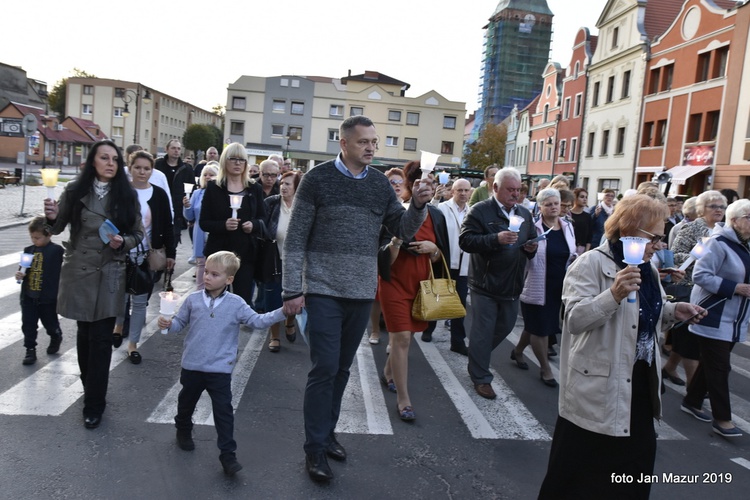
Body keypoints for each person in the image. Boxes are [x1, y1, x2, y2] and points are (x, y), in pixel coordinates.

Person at [281, 115, 432, 482]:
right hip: (322, 289)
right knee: (324, 368)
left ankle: (326, 432)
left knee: (342, 369)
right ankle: (314, 449)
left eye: (374, 142)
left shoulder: (380, 185)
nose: (370, 148)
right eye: (363, 141)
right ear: (344, 143)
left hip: (362, 291)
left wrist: (418, 205)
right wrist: (292, 289)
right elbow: (296, 237)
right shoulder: (317, 179)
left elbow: (399, 228)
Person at [538, 194, 706, 499]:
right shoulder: (590, 264)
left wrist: (672, 312)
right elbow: (574, 321)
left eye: (661, 237)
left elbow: (642, 318)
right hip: (597, 388)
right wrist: (613, 294)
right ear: (630, 230)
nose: (660, 245)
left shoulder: (649, 268)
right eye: (654, 237)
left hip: (640, 385)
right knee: (576, 476)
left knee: (632, 475)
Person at [158, 251, 286, 476]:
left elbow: (257, 321)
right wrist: (167, 324)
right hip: (193, 365)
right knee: (186, 402)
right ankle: (183, 428)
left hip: (219, 369)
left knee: (224, 412)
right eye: (206, 272)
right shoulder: (193, 300)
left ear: (229, 280)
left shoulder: (236, 304)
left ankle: (228, 455)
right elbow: (179, 324)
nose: (207, 277)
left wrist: (283, 312)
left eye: (214, 274)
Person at [43, 139, 142, 429]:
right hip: (79, 271)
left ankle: (94, 403)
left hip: (110, 270)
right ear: (92, 162)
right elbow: (57, 226)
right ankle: (91, 389)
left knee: (100, 339)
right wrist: (51, 217)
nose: (110, 163)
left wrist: (123, 241)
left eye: (115, 159)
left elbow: (138, 233)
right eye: (104, 158)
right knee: (85, 335)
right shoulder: (75, 190)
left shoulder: (126, 195)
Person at [378, 161, 450, 422]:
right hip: (394, 283)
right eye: (421, 182)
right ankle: (403, 400)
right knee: (403, 339)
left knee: (405, 338)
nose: (426, 187)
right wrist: (398, 239)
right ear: (411, 184)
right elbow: (385, 258)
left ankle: (388, 372)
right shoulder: (395, 210)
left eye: (430, 184)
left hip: (422, 287)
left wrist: (433, 249)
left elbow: (442, 257)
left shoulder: (438, 215)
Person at [459, 167, 538, 400]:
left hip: (513, 283)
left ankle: (477, 356)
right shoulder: (480, 211)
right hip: (485, 283)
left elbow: (530, 239)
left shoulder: (524, 213)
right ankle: (481, 377)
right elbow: (466, 241)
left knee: (505, 326)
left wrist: (531, 248)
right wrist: (496, 238)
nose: (516, 194)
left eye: (518, 190)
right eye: (510, 190)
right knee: (483, 331)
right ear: (495, 188)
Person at [680, 199, 750, 438]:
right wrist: (734, 287)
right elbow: (700, 275)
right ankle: (723, 419)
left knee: (712, 364)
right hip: (712, 314)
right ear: (735, 220)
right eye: (749, 217)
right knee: (720, 367)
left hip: (736, 318)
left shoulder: (747, 244)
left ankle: (691, 400)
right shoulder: (717, 243)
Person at [513, 188, 576, 386]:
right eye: (548, 204)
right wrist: (526, 249)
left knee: (537, 325)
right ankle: (545, 369)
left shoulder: (567, 226)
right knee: (541, 329)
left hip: (559, 285)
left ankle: (517, 351)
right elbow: (520, 254)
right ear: (540, 206)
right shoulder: (533, 227)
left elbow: (570, 252)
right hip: (536, 283)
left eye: (556, 203)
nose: (553, 207)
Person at [119, 150, 176, 364]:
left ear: (152, 170)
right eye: (138, 167)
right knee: (120, 298)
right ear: (130, 168)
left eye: (146, 168)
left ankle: (133, 343)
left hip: (146, 255)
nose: (142, 172)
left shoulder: (159, 194)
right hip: (121, 253)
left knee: (140, 301)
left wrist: (170, 253)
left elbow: (167, 227)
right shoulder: (122, 192)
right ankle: (117, 328)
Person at [669, 191, 728, 385]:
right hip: (690, 287)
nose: (719, 210)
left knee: (689, 336)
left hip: (714, 291)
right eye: (714, 206)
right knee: (690, 339)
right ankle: (692, 390)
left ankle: (669, 367)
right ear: (702, 209)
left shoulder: (726, 230)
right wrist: (699, 258)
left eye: (722, 206)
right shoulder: (692, 228)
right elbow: (675, 255)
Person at [200, 143, 266, 306]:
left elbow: (263, 218)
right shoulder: (214, 188)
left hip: (245, 254)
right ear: (224, 161)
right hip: (218, 253)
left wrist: (254, 225)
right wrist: (223, 225)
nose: (237, 163)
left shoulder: (254, 188)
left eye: (241, 160)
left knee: (241, 301)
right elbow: (204, 222)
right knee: (214, 301)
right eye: (233, 159)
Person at [261, 171, 302, 352]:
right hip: (273, 259)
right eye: (282, 184)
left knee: (293, 297)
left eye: (288, 184)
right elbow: (262, 225)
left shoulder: (303, 207)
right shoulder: (271, 203)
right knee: (273, 299)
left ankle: (290, 322)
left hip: (297, 262)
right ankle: (275, 335)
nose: (283, 187)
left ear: (297, 187)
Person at [15, 217, 64, 365]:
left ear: (49, 235)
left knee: (50, 322)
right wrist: (20, 274)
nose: (34, 240)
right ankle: (30, 349)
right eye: (32, 237)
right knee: (28, 324)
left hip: (48, 298)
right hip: (29, 296)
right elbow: (22, 270)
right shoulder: (28, 251)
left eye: (38, 237)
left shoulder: (56, 251)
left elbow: (64, 271)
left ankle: (55, 335)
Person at [437, 178, 471, 354]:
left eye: (466, 190)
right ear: (453, 192)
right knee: (437, 297)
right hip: (444, 261)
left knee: (460, 304)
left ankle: (457, 341)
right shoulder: (443, 209)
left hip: (463, 265)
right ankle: (428, 328)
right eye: (460, 190)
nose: (463, 193)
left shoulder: (472, 212)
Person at [184, 162, 218, 290]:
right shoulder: (197, 193)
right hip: (200, 233)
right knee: (201, 265)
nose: (208, 177)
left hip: (214, 233)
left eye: (212, 175)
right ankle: (200, 291)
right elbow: (190, 216)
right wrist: (187, 206)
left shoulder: (220, 194)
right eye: (205, 174)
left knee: (216, 265)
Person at [154, 139, 195, 245]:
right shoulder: (158, 165)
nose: (176, 151)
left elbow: (193, 189)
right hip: (159, 207)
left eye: (178, 148)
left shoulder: (186, 168)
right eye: (173, 148)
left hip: (177, 209)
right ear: (166, 149)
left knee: (173, 240)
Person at [569, 187, 592, 254]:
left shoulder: (587, 216)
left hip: (582, 250)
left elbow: (589, 236)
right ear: (575, 198)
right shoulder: (568, 215)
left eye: (586, 197)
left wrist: (586, 252)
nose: (585, 199)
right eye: (582, 197)